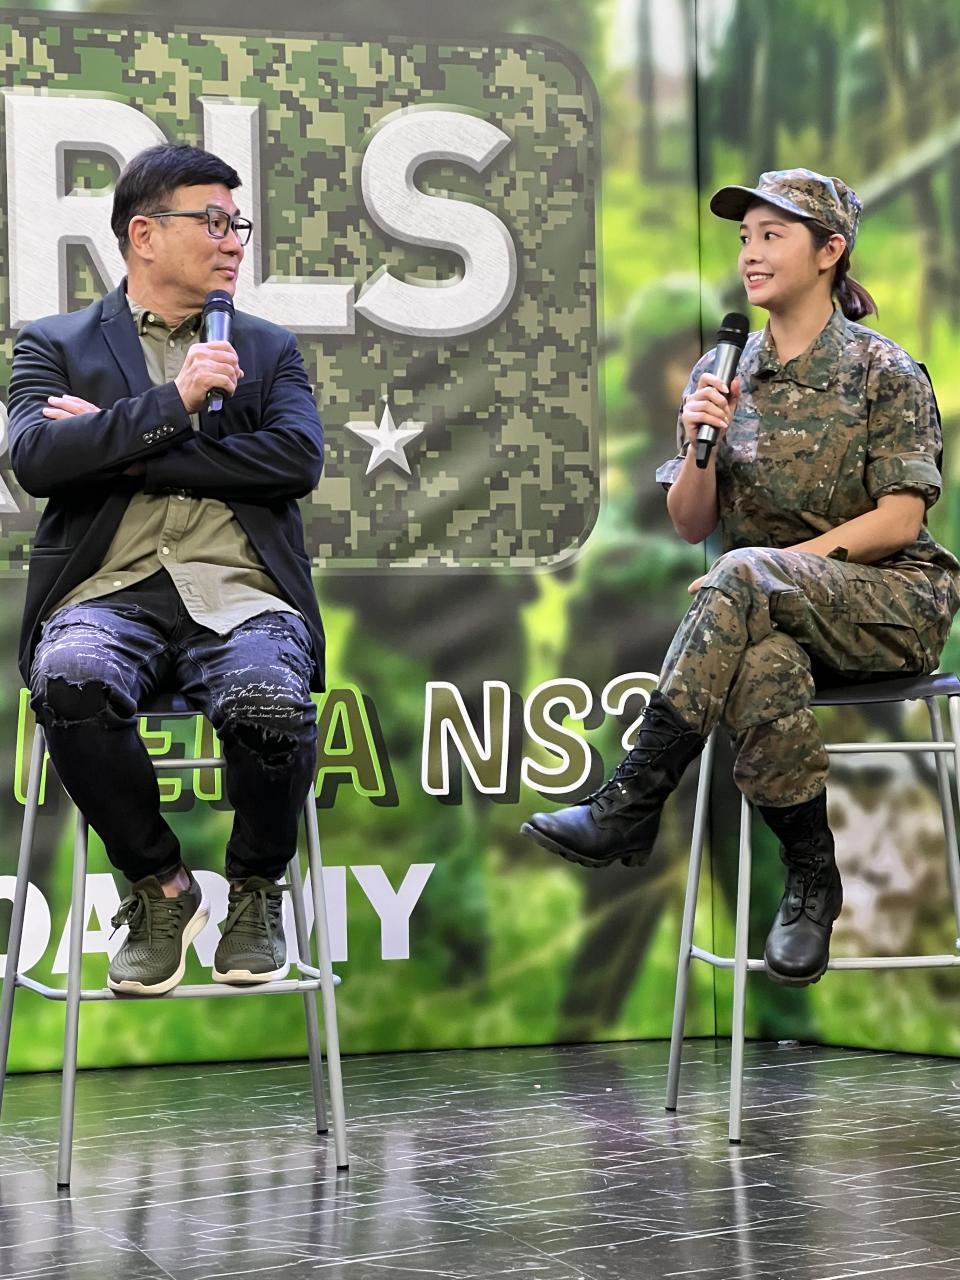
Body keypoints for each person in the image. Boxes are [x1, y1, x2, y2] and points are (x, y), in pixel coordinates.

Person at [522, 168, 960, 986]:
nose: (751, 254)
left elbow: (901, 522)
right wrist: (702, 443)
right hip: (771, 618)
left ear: (830, 251)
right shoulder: (723, 375)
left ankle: (629, 803)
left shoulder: (883, 370)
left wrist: (765, 569)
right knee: (758, 667)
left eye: (773, 236)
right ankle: (811, 877)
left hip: (889, 604)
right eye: (744, 238)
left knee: (745, 573)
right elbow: (691, 521)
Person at [9, 143, 325, 996]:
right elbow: (36, 459)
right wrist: (175, 403)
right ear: (143, 234)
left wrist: (127, 447)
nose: (233, 241)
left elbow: (295, 460)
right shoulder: (54, 343)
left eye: (238, 224)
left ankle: (256, 887)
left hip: (242, 592)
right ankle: (161, 889)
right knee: (70, 678)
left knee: (266, 696)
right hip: (107, 595)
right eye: (213, 221)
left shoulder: (266, 347)